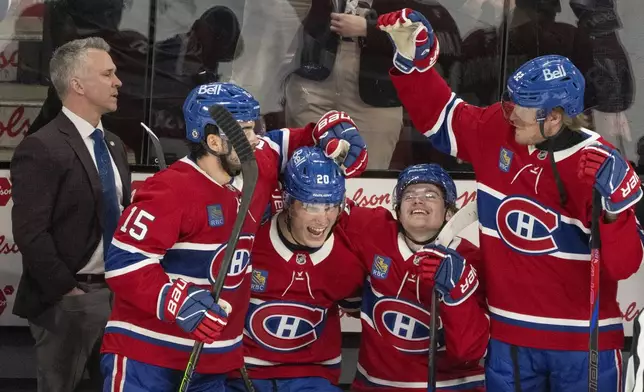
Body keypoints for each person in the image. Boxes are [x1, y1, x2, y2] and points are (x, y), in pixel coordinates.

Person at [376, 9, 644, 391]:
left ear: (554, 117)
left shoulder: (597, 165)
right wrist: (413, 66)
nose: (511, 114)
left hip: (583, 344)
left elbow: (623, 264)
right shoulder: (498, 130)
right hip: (510, 339)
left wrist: (617, 213)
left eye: (523, 107)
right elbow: (442, 118)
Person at [99, 82, 368, 390]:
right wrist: (177, 300)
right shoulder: (170, 190)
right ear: (214, 141)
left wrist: (330, 129)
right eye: (245, 131)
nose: (256, 140)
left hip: (214, 362)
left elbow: (284, 143)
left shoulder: (255, 166)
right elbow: (124, 263)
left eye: (255, 128)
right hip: (147, 358)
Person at [10, 37, 130, 392]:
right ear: (78, 84)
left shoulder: (113, 144)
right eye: (108, 73)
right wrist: (68, 291)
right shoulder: (41, 147)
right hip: (70, 300)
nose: (118, 81)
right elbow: (31, 233)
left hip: (118, 295)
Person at [227, 146, 367, 391]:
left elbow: (357, 306)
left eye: (330, 206)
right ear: (288, 203)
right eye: (311, 206)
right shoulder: (249, 236)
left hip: (313, 374)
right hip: (243, 371)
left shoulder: (350, 248)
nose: (322, 220)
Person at [342, 164, 489, 391]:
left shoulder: (473, 261)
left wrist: (456, 295)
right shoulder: (374, 230)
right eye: (409, 195)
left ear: (449, 212)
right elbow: (329, 211)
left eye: (430, 195)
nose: (418, 200)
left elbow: (468, 353)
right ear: (398, 211)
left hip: (452, 387)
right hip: (376, 385)